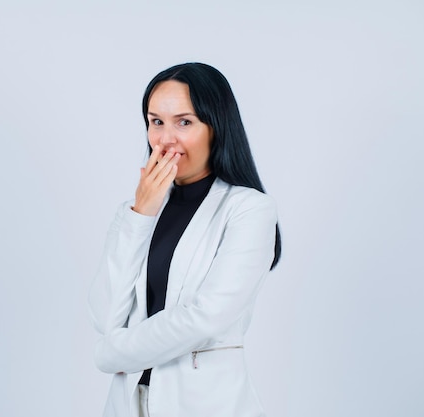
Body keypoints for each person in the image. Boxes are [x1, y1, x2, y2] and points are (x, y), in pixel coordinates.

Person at [88, 62, 282, 417]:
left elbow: (205, 318)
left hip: (205, 404)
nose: (165, 139)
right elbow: (105, 317)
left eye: (184, 122)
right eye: (156, 121)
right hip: (130, 403)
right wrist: (141, 214)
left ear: (216, 128)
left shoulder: (248, 209)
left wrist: (109, 354)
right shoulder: (133, 212)